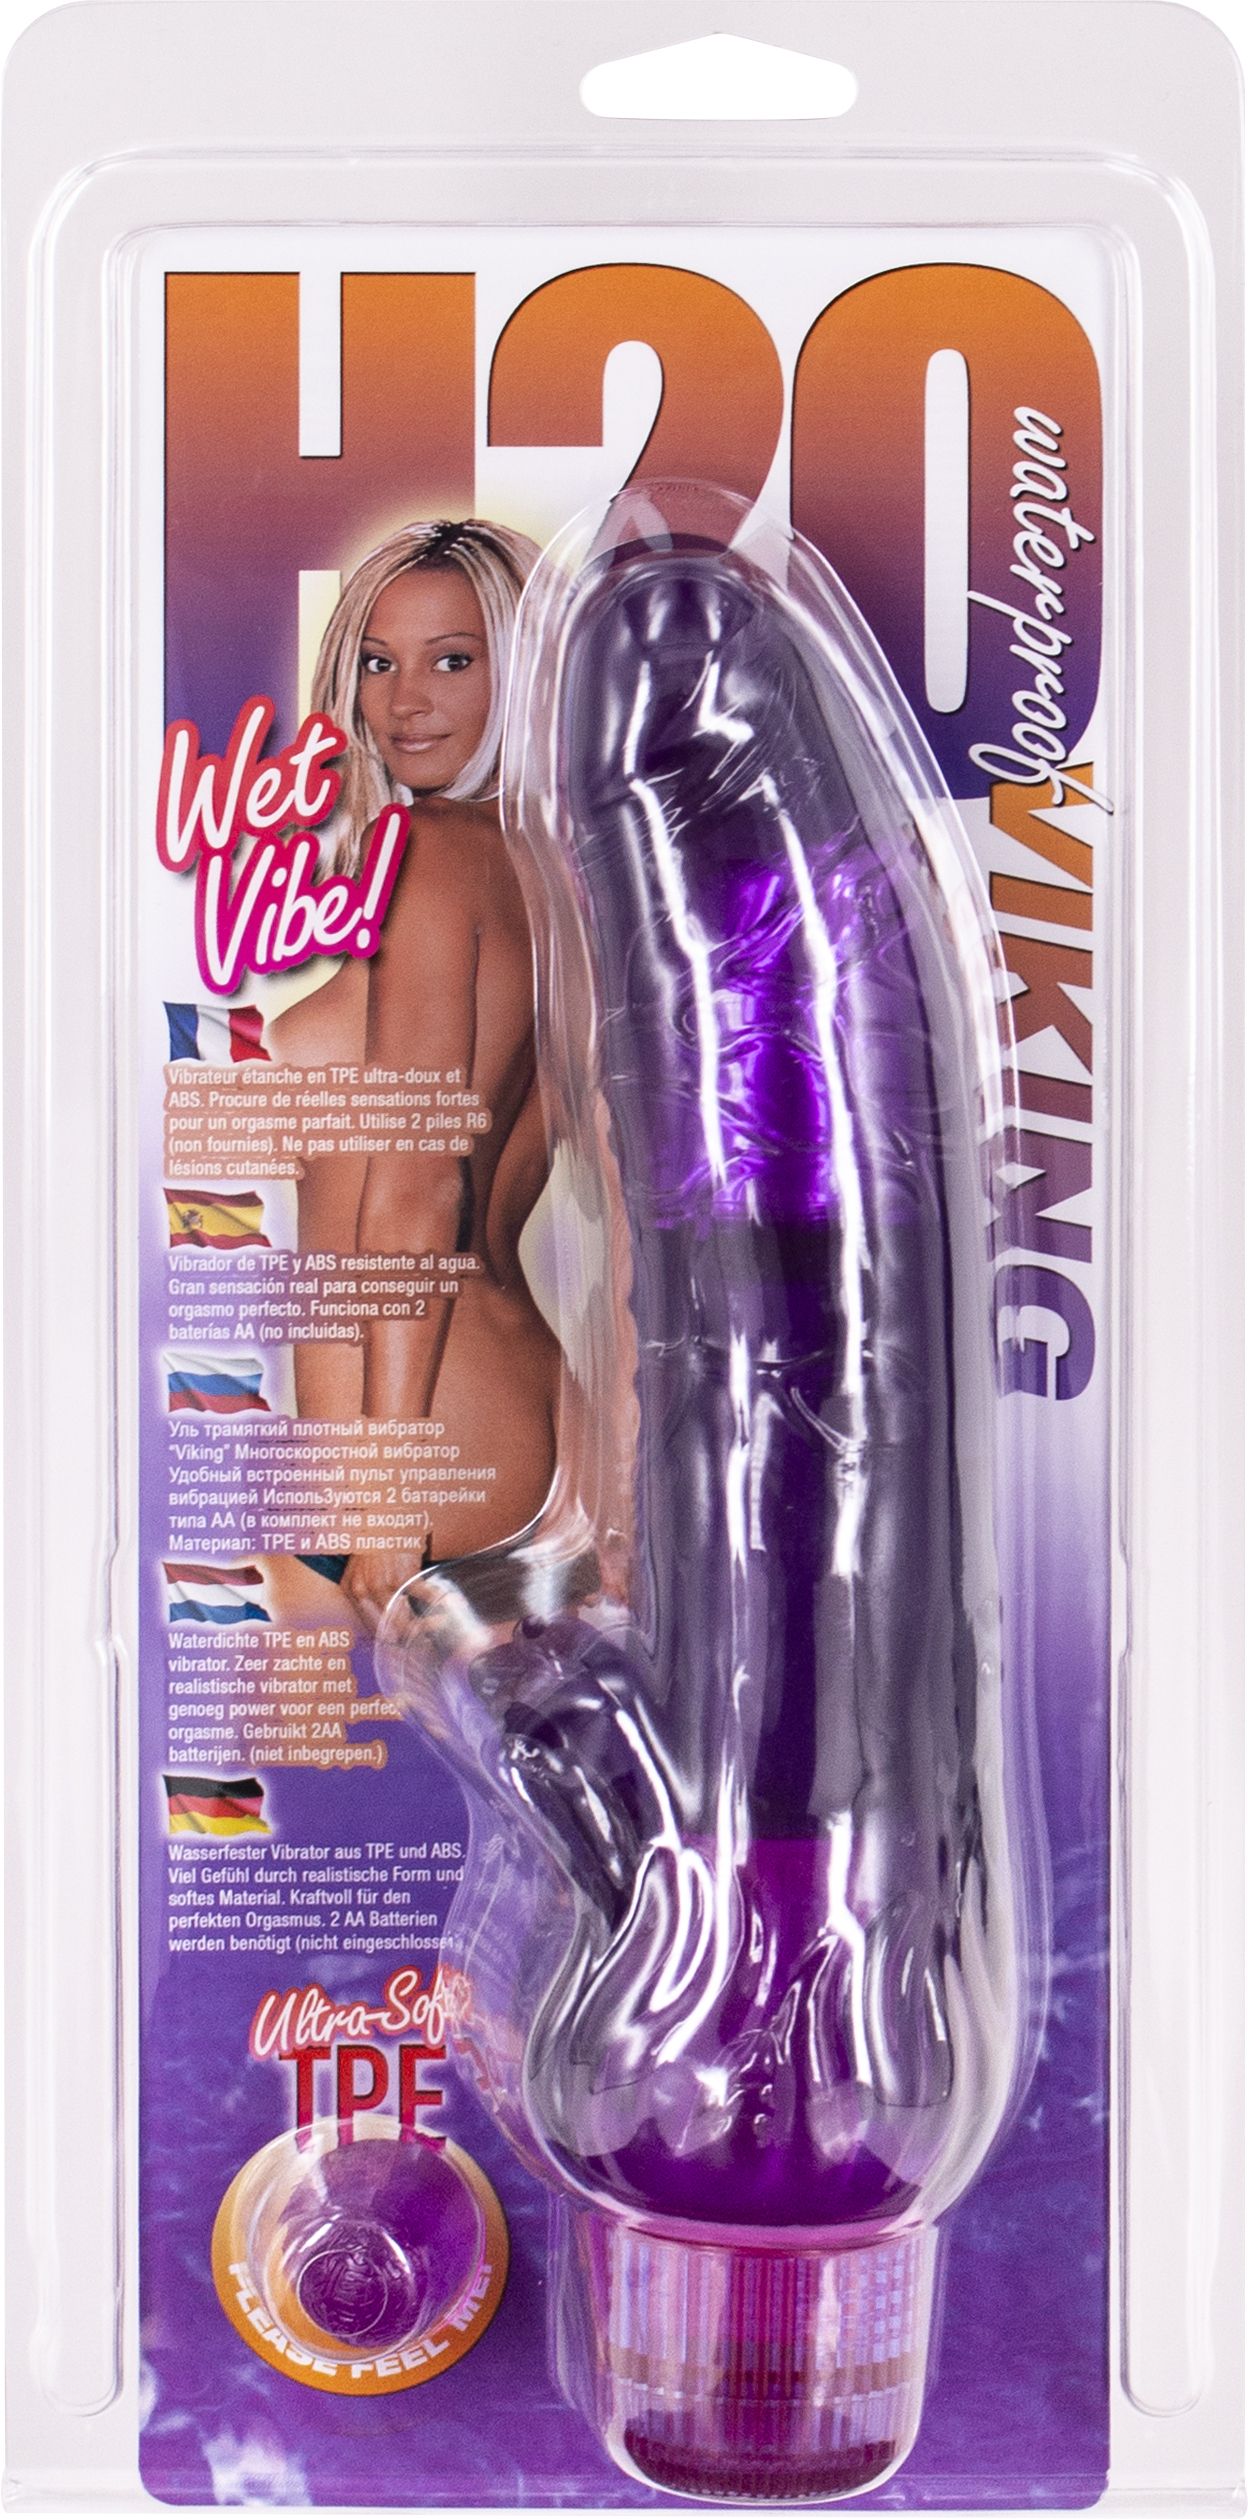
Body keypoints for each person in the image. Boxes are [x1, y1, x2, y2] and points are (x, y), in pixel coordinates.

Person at [267, 519, 558, 1632]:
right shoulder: (552, 875)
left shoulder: (432, 852)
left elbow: (418, 1185)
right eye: (379, 661)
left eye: (454, 659)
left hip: (419, 1452)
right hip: (500, 1411)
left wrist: (387, 1494)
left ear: (522, 669)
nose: (405, 701)